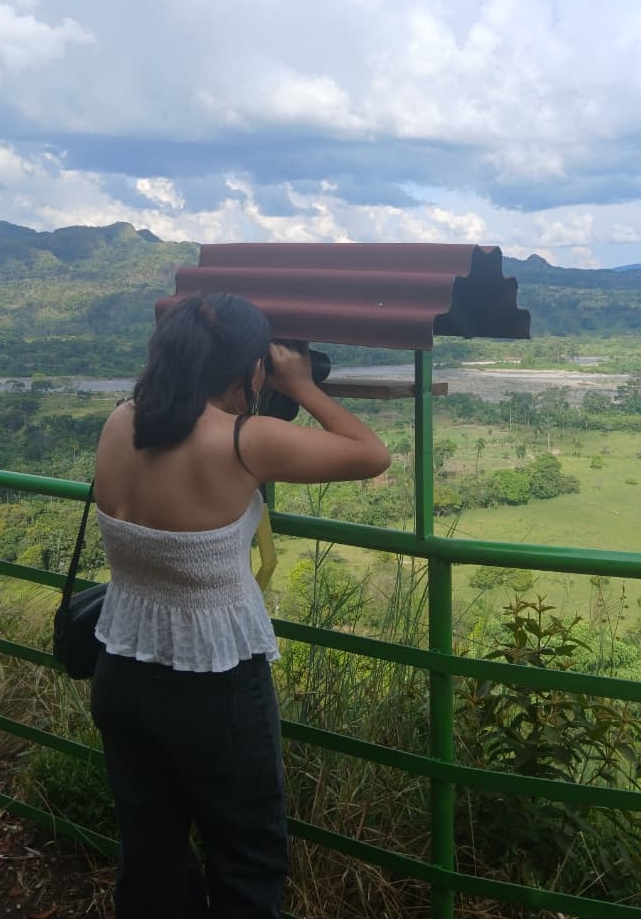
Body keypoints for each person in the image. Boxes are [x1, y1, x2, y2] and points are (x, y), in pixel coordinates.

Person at [90, 293, 390, 918]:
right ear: (251, 370)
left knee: (151, 858)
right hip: (215, 684)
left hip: (121, 666)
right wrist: (302, 386)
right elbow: (371, 454)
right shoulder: (244, 441)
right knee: (247, 861)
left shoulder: (122, 420)